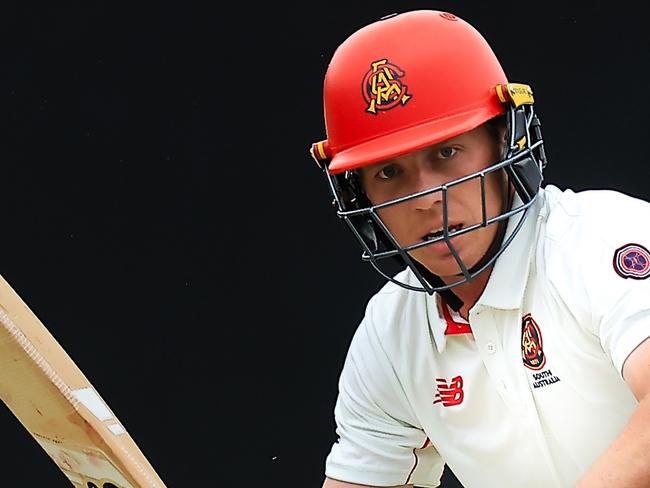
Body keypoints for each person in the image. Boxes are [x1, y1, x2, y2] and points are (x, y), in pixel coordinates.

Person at [308, 9, 650, 488]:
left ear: (506, 143)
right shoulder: (392, 333)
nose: (426, 198)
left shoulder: (601, 237)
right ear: (358, 196)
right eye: (389, 172)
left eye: (445, 153)